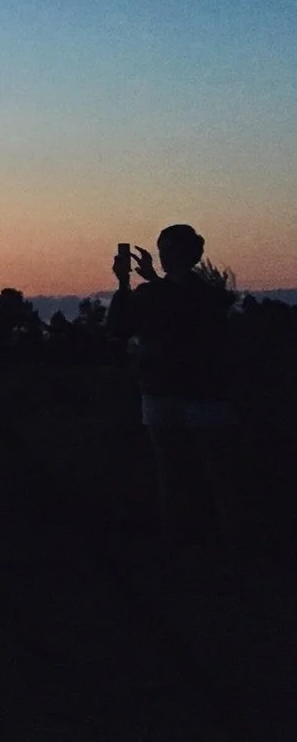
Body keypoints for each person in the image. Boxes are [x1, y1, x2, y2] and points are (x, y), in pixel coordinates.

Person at [109, 224, 242, 549]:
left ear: (189, 252)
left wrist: (138, 283)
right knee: (176, 473)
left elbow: (186, 316)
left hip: (195, 391)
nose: (165, 256)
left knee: (210, 473)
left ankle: (226, 542)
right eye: (162, 249)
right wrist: (127, 283)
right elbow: (123, 327)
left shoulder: (193, 295)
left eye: (170, 249)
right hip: (168, 390)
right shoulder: (170, 293)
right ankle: (191, 543)